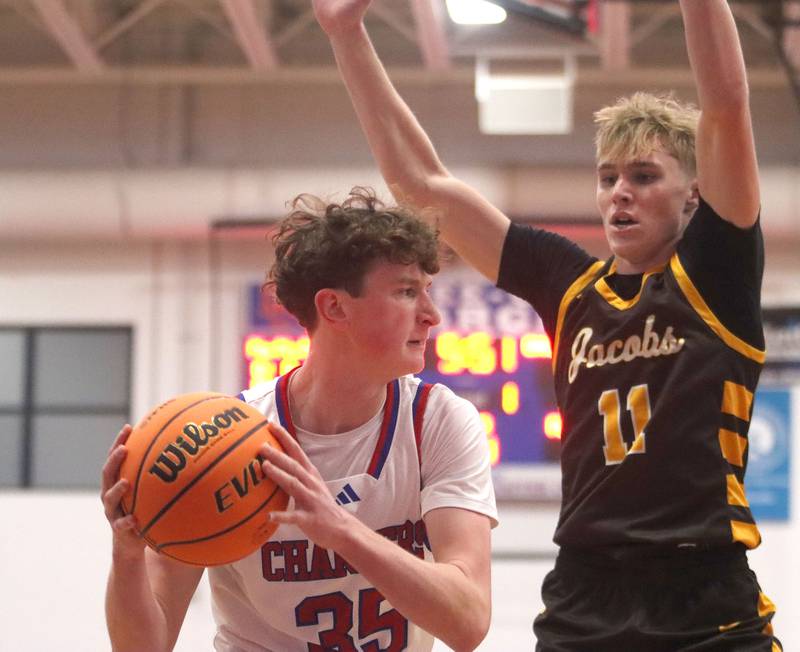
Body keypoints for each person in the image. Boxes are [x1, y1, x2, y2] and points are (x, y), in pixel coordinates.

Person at [314, 0, 782, 649]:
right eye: (608, 176)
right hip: (585, 591)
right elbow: (420, 182)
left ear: (695, 196)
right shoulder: (569, 286)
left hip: (700, 588)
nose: (620, 191)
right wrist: (347, 35)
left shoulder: (716, 274)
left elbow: (726, 104)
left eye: (644, 176)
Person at [102, 187, 498, 652]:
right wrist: (127, 555)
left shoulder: (439, 421)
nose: (431, 315)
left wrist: (344, 532)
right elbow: (142, 647)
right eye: (407, 292)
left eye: (426, 292)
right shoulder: (229, 440)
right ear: (334, 307)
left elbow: (469, 621)